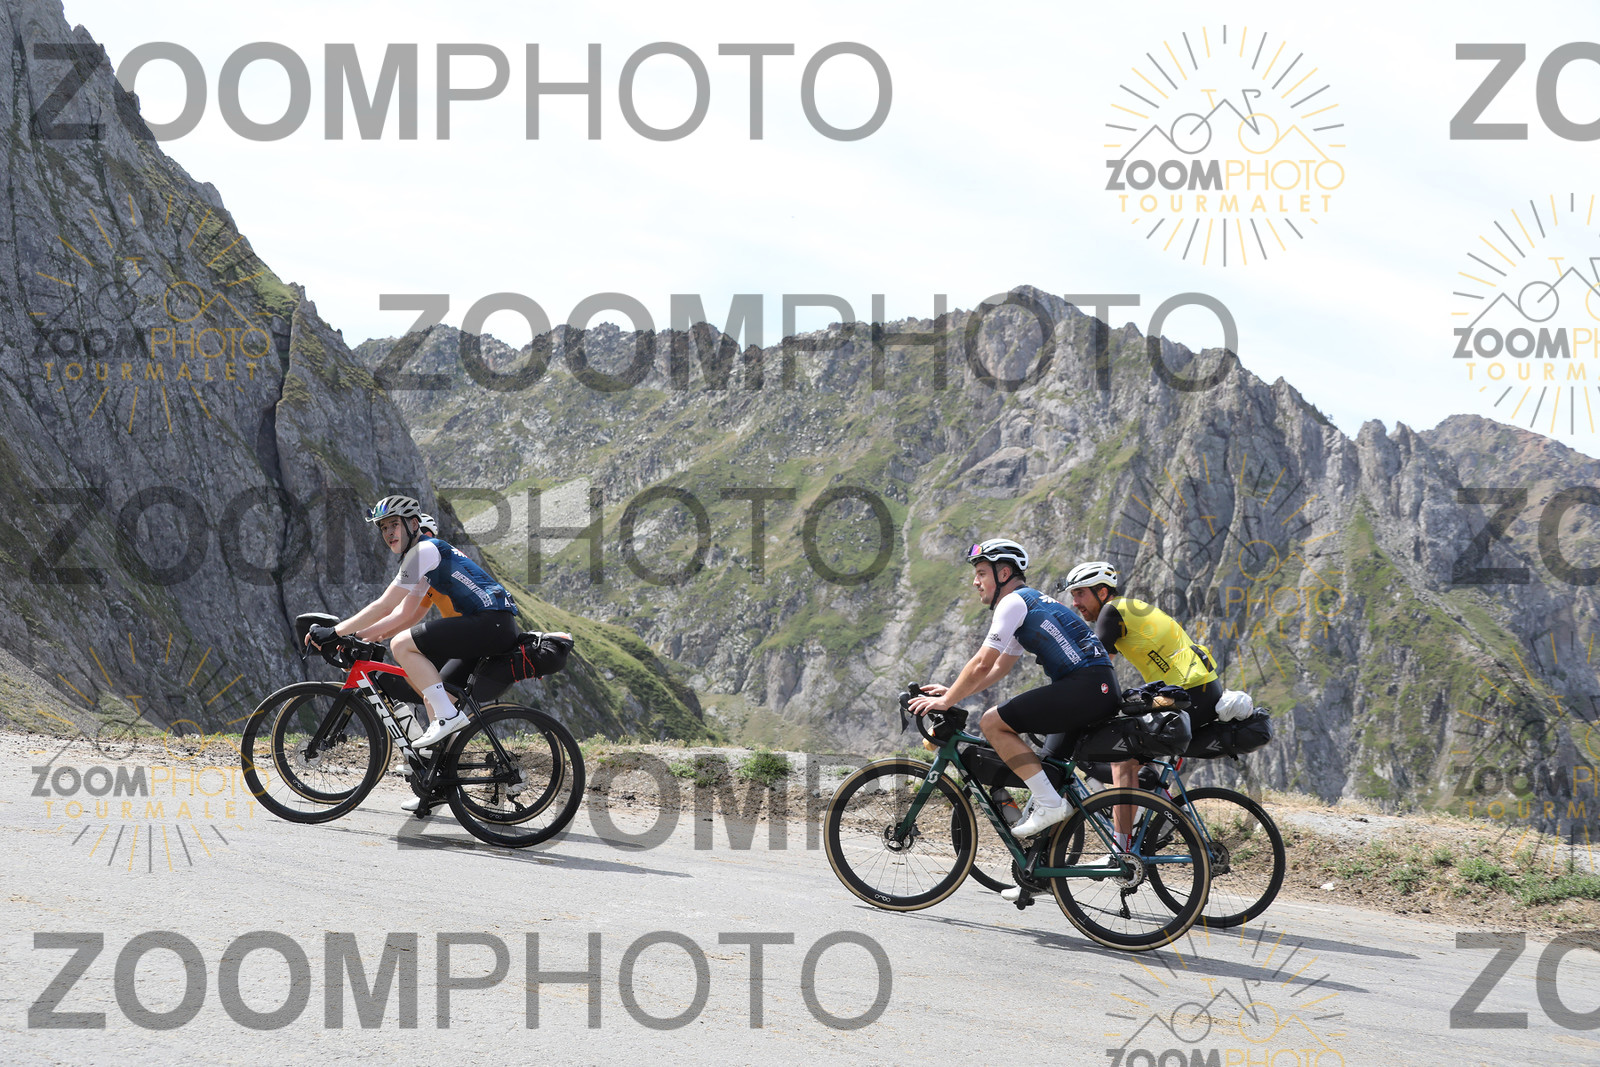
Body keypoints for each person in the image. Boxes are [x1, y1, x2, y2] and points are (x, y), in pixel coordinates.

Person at [908, 538, 1119, 841]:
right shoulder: (1029, 603)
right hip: (1096, 688)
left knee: (992, 723)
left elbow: (982, 663)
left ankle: (1050, 805)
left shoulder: (1013, 603)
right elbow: (999, 668)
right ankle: (1042, 861)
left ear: (1004, 573)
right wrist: (953, 692)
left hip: (1086, 686)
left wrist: (946, 701)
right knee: (1050, 769)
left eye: (981, 573)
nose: (975, 582)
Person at [304, 495, 520, 756]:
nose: (388, 533)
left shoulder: (423, 551)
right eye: (383, 527)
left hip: (491, 623)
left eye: (394, 524)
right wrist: (358, 637)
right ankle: (439, 771)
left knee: (402, 644)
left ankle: (448, 718)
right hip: (493, 626)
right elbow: (404, 615)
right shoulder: (424, 560)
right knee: (435, 695)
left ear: (413, 524)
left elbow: (384, 605)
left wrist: (335, 632)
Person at [1061, 560, 1221, 833]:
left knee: (1122, 759)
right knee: (1132, 753)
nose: (1075, 602)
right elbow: (1103, 669)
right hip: (1197, 691)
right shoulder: (1124, 610)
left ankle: (1121, 845)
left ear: (1102, 592)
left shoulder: (1111, 611)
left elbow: (1092, 668)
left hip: (1189, 694)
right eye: (1073, 595)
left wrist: (1064, 699)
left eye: (1080, 593)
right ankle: (1153, 814)